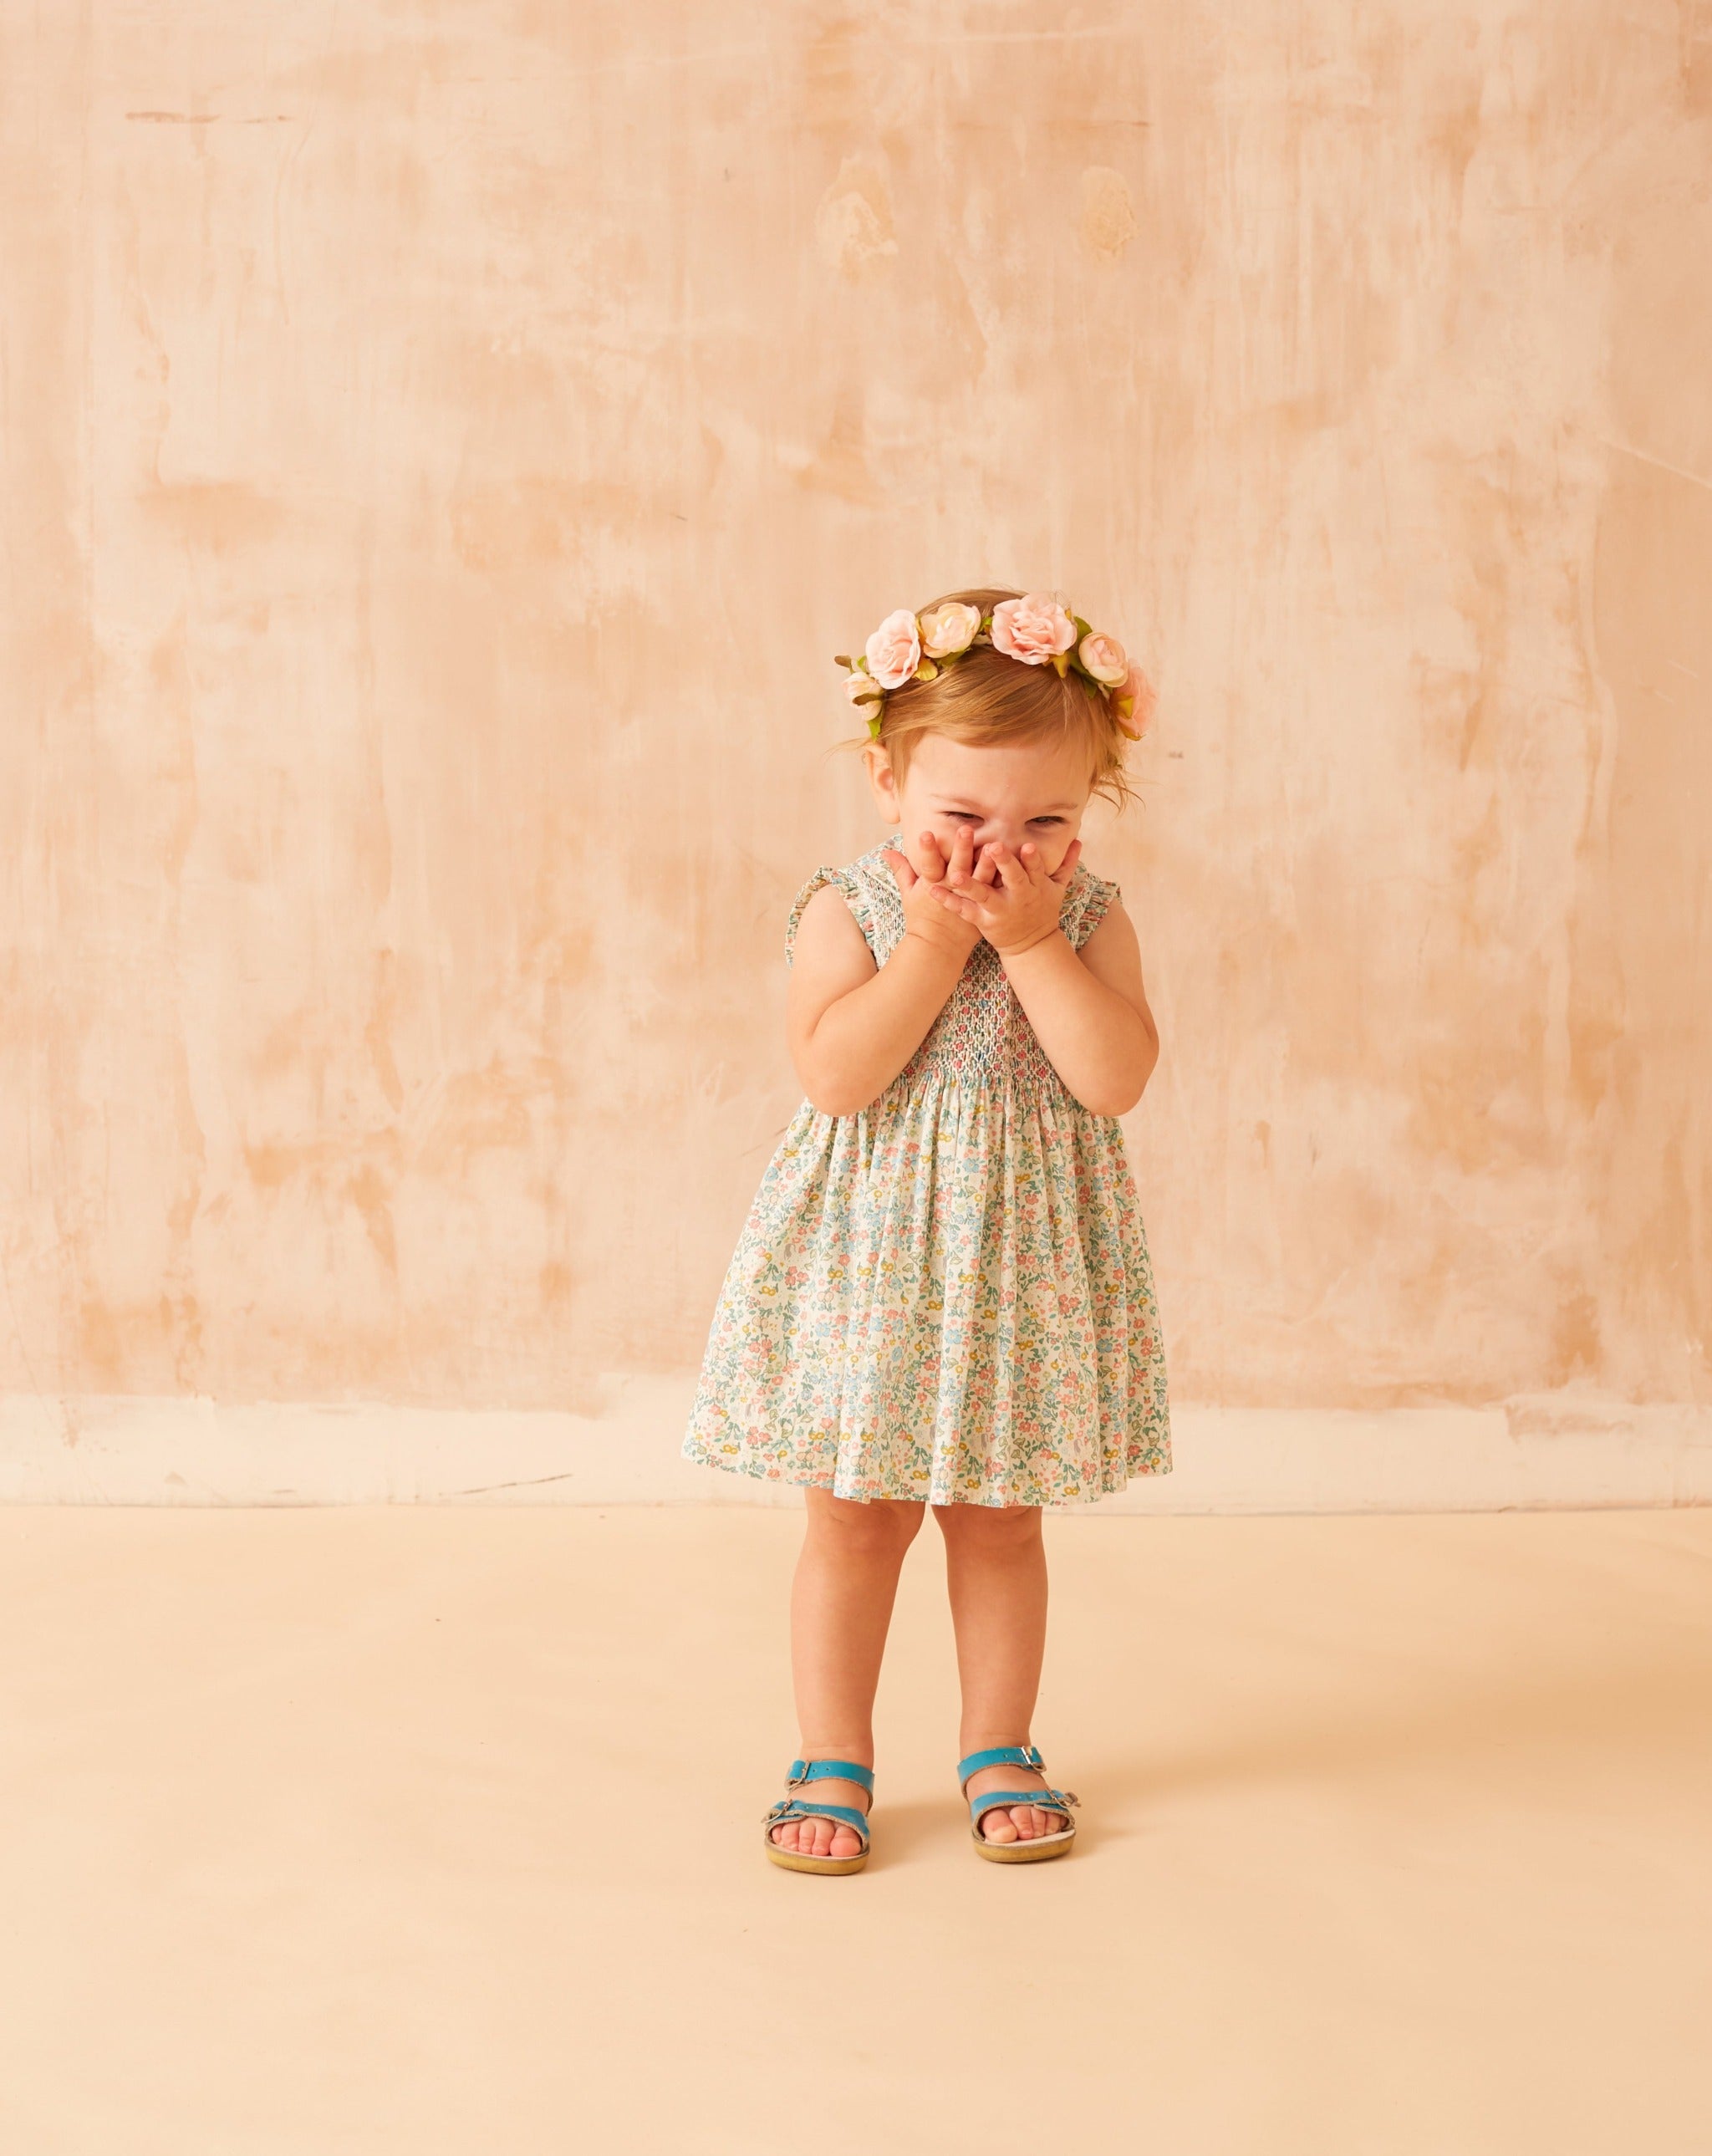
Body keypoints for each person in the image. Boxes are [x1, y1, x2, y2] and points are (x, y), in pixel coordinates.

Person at [682, 586, 1172, 1871]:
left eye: (1045, 821)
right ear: (887, 784)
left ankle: (999, 1744)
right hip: (877, 1264)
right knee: (854, 1514)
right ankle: (831, 1752)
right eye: (961, 816)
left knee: (1001, 1518)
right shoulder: (853, 909)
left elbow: (1115, 1076)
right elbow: (835, 1076)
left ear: (1088, 809)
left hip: (1012, 1267)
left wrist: (1029, 947)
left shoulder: (1084, 917)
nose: (999, 853)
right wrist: (933, 949)